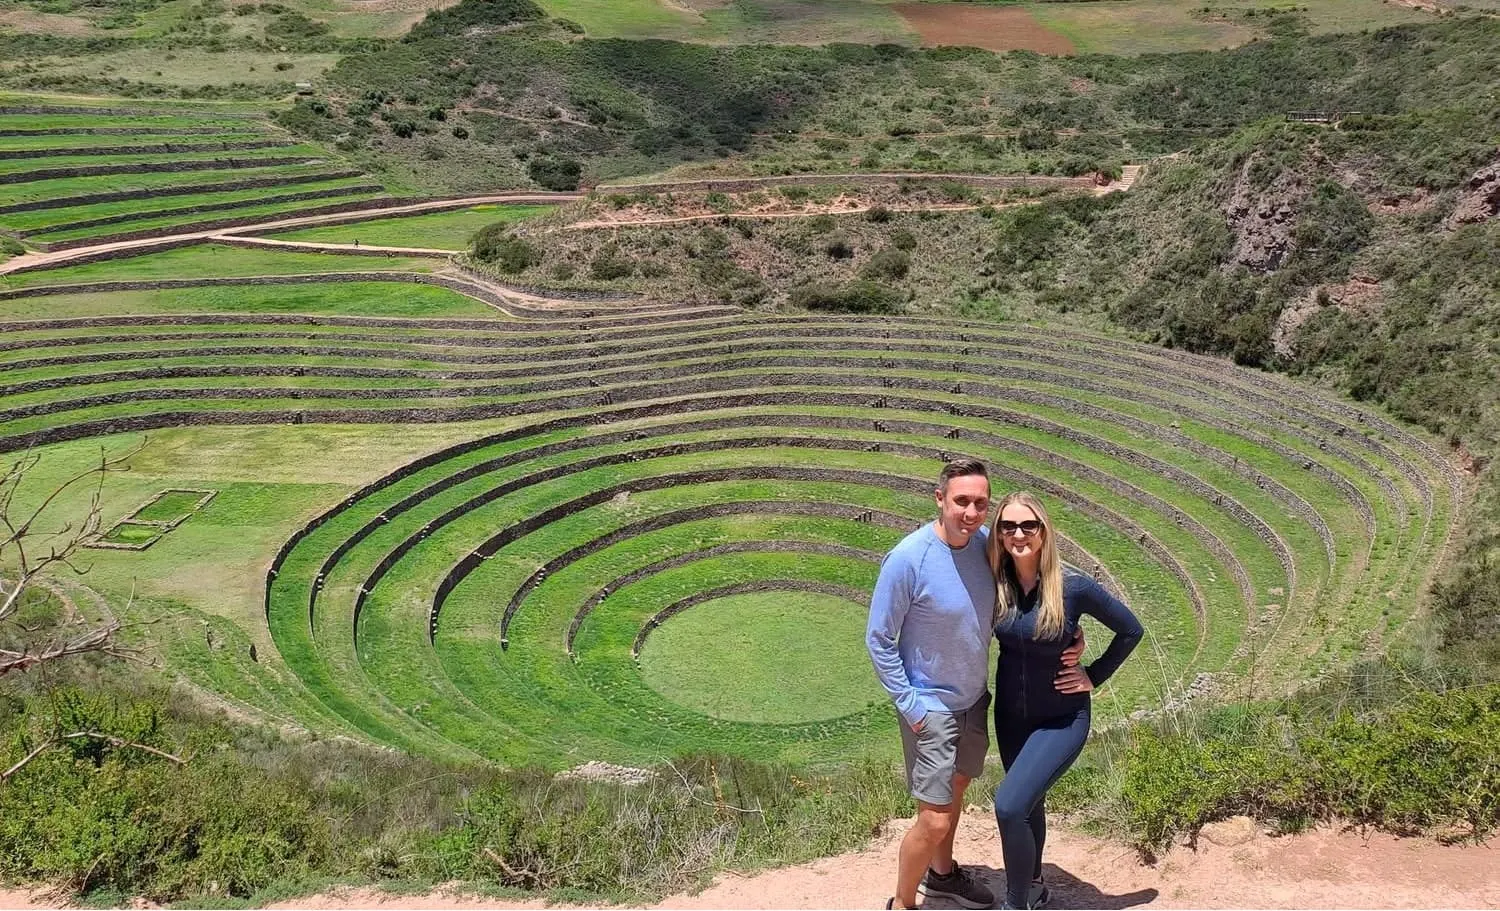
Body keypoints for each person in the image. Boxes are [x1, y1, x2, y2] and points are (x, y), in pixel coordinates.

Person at [868, 461, 1083, 911]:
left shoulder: (988, 548)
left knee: (958, 788)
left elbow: (1035, 588)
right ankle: (902, 903)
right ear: (939, 499)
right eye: (961, 501)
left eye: (980, 503)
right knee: (934, 819)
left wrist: (1071, 634)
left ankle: (942, 875)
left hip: (974, 699)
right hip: (930, 707)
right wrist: (911, 706)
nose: (970, 512)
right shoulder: (908, 559)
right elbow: (879, 638)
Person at [988, 492, 1144, 909]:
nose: (1018, 534)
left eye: (1028, 525)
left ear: (1044, 531)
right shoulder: (997, 581)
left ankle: (1016, 903)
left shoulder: (1073, 587)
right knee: (1028, 803)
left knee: (1009, 806)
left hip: (1061, 718)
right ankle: (1035, 885)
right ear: (998, 533)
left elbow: (1131, 630)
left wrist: (1093, 675)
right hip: (1011, 717)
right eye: (1008, 526)